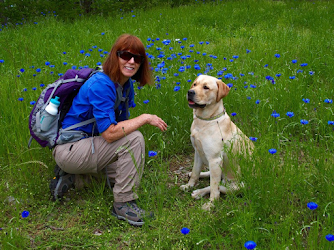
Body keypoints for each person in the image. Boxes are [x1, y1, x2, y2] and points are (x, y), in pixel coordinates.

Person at [50, 34, 168, 226]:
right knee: (135, 139)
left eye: (137, 58)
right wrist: (145, 118)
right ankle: (122, 204)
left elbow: (122, 124)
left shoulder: (124, 84)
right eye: (126, 55)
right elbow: (111, 133)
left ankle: (74, 179)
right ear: (115, 56)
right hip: (69, 148)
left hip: (87, 146)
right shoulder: (102, 85)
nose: (131, 62)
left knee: (128, 171)